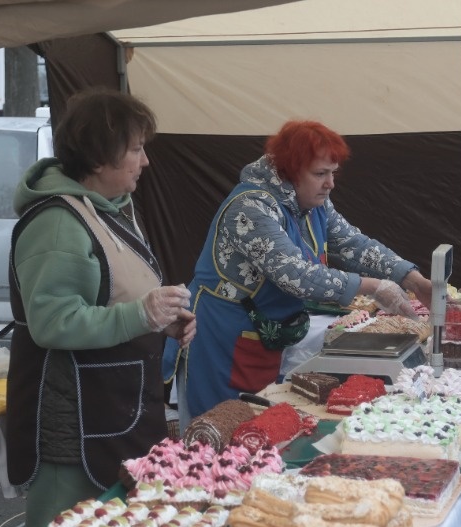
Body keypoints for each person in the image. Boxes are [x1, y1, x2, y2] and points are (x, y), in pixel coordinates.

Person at [6, 88, 197, 527]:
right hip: (74, 426)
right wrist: (141, 316)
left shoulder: (109, 210)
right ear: (98, 157)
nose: (145, 161)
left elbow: (115, 297)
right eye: (135, 149)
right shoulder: (57, 222)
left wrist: (162, 321)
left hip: (117, 412)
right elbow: (54, 322)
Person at [163, 120, 432, 423]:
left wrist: (412, 278)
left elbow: (352, 243)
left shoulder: (314, 202)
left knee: (261, 430)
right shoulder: (250, 208)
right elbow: (298, 275)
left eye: (333, 173)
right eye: (320, 174)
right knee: (221, 432)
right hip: (220, 337)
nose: (330, 183)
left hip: (262, 333)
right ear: (290, 172)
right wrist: (372, 286)